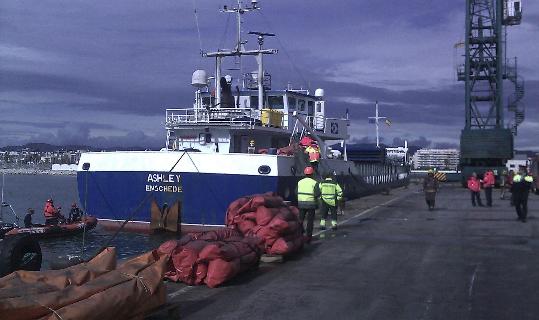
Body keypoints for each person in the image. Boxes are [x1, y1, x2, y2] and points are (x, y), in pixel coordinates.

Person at [296, 166, 320, 243]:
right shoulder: (314, 183)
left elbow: (295, 192)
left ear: (305, 174)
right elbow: (317, 193)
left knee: (300, 220)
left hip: (301, 204)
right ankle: (308, 237)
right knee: (310, 221)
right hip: (311, 204)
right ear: (312, 174)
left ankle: (298, 234)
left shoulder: (300, 182)